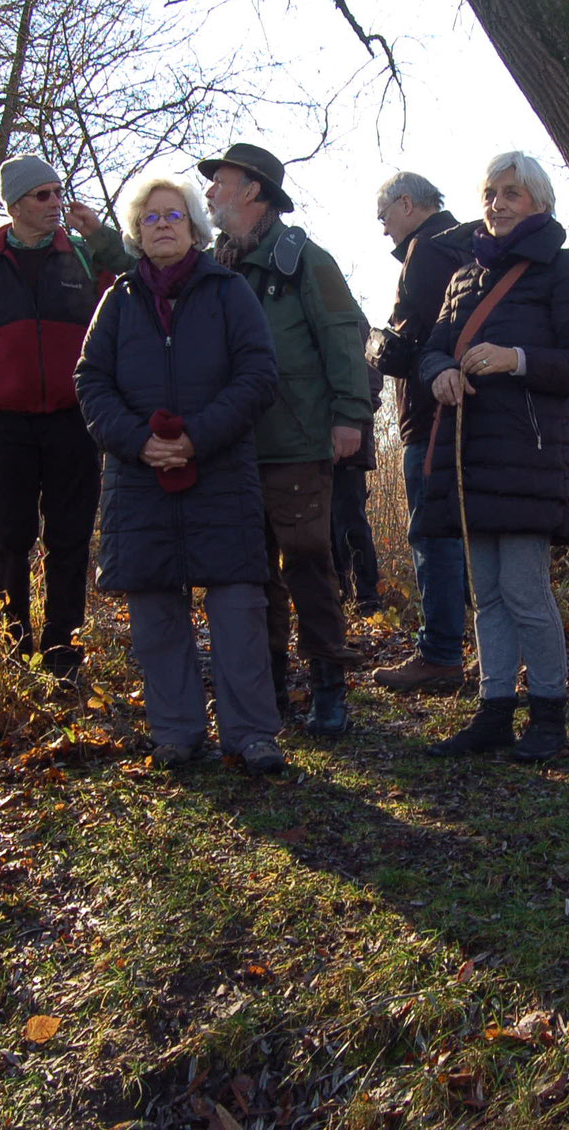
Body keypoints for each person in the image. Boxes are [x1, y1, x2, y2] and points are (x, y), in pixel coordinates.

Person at [76, 175, 286, 774]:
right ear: (136, 233)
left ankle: (251, 733)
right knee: (154, 612)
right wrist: (141, 442)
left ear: (194, 226)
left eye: (174, 216)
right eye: (150, 218)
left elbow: (257, 375)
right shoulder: (115, 302)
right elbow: (90, 383)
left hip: (220, 475)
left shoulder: (229, 293)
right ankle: (175, 731)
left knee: (238, 608)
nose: (162, 225)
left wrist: (196, 437)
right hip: (141, 482)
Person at [419, 152, 569, 761]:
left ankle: (549, 717)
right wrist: (442, 372)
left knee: (525, 591)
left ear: (540, 202)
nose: (496, 203)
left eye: (511, 193)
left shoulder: (565, 268)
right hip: (468, 458)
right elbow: (432, 351)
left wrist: (514, 359)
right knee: (489, 595)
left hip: (530, 458)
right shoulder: (463, 276)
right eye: (491, 193)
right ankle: (494, 712)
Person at [203, 143, 373, 735]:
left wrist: (350, 417)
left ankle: (329, 690)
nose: (209, 194)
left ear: (252, 190)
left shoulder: (305, 259)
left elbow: (344, 337)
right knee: (250, 575)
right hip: (229, 446)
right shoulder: (211, 265)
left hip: (298, 441)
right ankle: (268, 689)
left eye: (219, 182)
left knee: (308, 565)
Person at [0, 153, 129, 683]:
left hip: (74, 422)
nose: (56, 203)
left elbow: (128, 311)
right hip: (5, 428)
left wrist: (103, 403)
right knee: (9, 538)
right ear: (16, 205)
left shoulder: (87, 261)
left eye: (58, 193)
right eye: (44, 195)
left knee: (69, 538)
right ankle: (13, 648)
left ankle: (64, 650)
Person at [367, 171, 477, 694]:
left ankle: (439, 656)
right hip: (472, 414)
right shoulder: (473, 246)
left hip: (429, 417)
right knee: (467, 536)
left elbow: (409, 344)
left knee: (432, 533)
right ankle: (480, 650)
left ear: (407, 204)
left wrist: (371, 345)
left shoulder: (427, 253)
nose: (382, 227)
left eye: (384, 215)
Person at [331, 348, 386, 616]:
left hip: (351, 445)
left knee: (351, 522)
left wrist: (351, 417)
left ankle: (367, 599)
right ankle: (338, 594)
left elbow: (373, 379)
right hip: (314, 443)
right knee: (327, 524)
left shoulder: (350, 319)